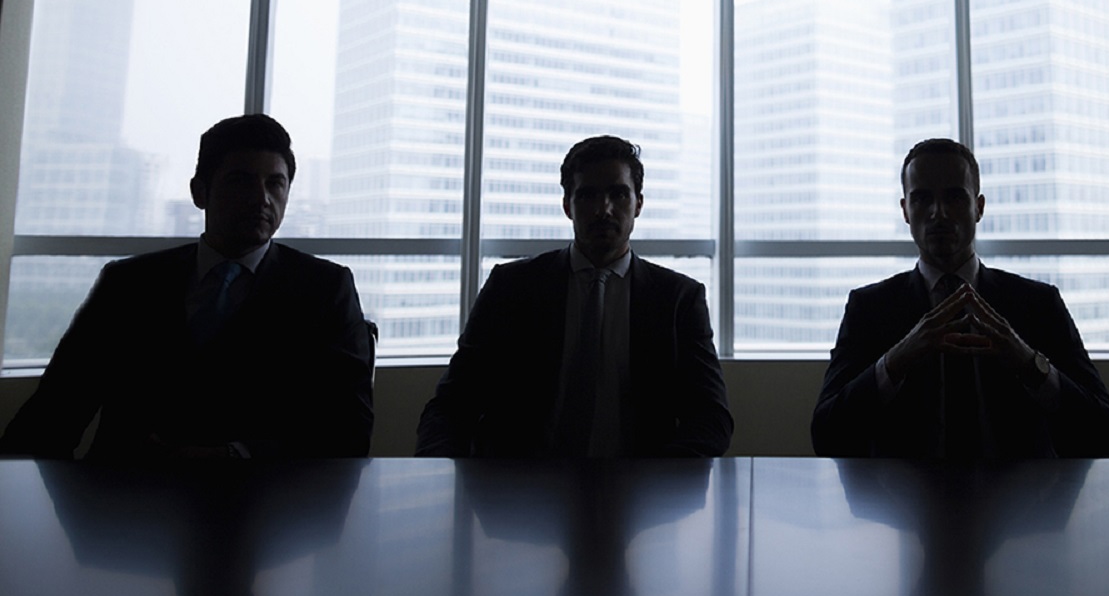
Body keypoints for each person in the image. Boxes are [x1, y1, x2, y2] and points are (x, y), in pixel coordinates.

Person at [0, 114, 374, 459]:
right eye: (240, 180)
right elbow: (55, 410)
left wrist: (234, 455)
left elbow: (348, 431)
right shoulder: (128, 284)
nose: (262, 199)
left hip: (262, 507)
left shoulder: (324, 289)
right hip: (126, 501)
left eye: (275, 183)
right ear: (199, 192)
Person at [416, 135, 732, 457]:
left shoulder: (678, 299)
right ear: (567, 205)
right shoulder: (511, 289)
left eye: (618, 194)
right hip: (522, 492)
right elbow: (452, 405)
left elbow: (711, 418)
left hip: (638, 494)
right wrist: (439, 478)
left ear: (638, 204)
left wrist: (655, 486)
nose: (603, 210)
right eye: (588, 196)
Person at [812, 138, 1109, 459]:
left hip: (1022, 506)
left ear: (980, 207)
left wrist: (1030, 364)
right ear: (905, 211)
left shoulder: (1038, 304)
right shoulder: (869, 309)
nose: (938, 213)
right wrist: (897, 359)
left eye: (954, 197)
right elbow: (826, 437)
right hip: (903, 507)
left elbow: (1107, 438)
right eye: (922, 199)